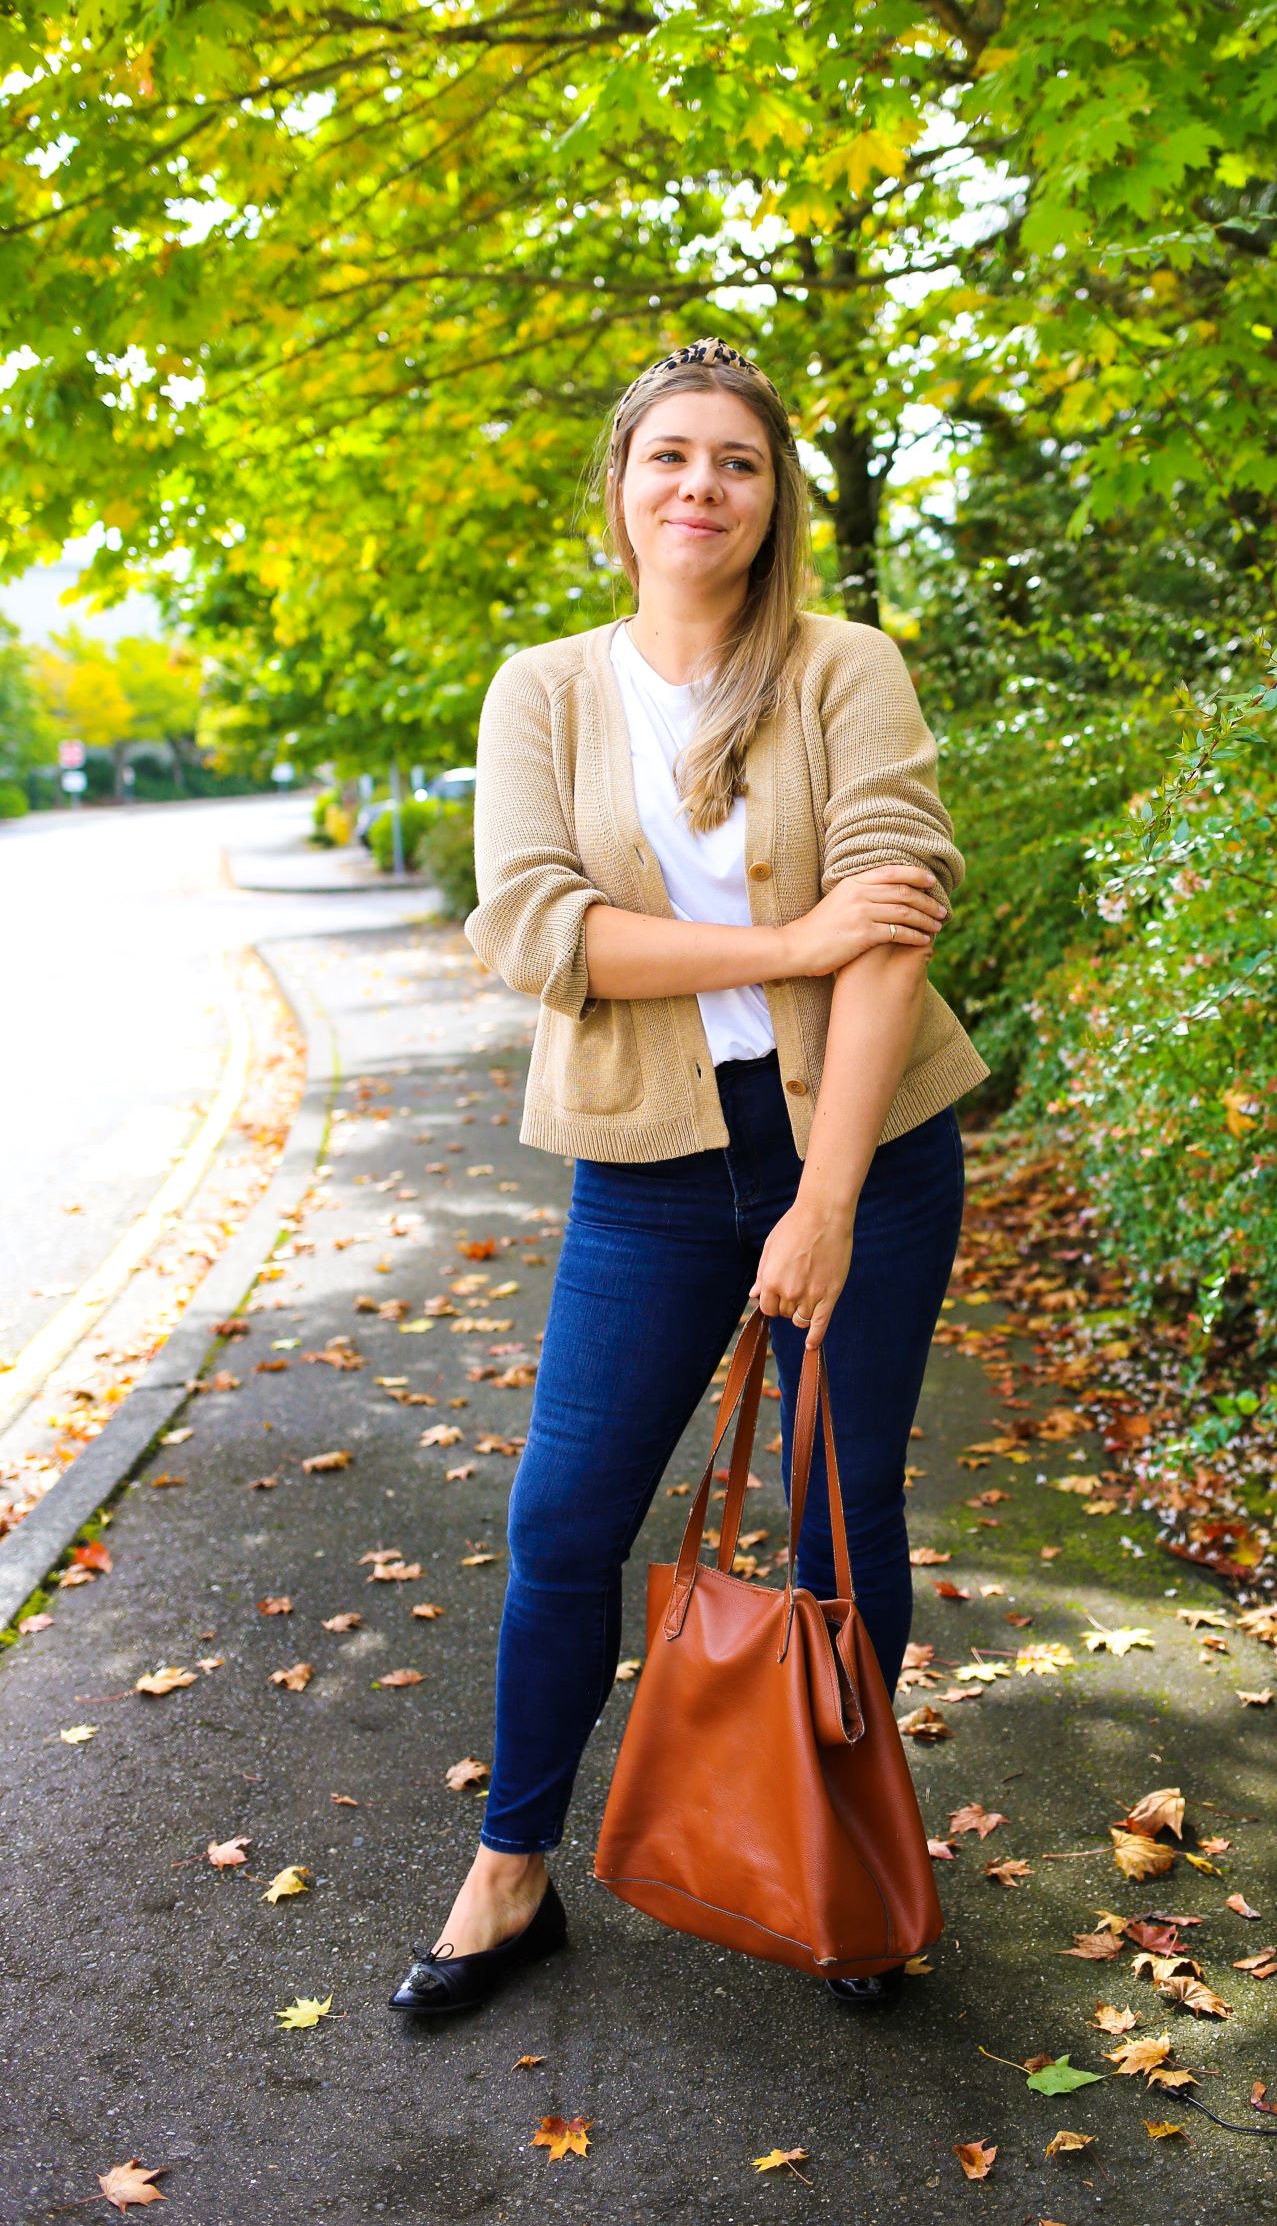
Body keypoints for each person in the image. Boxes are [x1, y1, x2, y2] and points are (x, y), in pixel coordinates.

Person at [388, 336, 989, 2021]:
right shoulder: (547, 689)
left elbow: (899, 922)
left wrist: (830, 1197)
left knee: (838, 1519)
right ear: (620, 486)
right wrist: (787, 933)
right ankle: (511, 1874)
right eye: (669, 457)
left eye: (735, 459)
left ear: (772, 494)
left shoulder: (844, 665)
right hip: (650, 1168)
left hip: (863, 1143)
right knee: (565, 1522)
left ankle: (854, 1851)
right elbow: (535, 926)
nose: (700, 487)